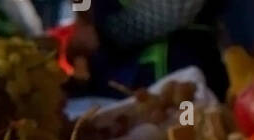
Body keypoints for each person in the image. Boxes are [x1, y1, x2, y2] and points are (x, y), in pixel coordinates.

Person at [67, 0, 230, 98]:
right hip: (116, 90)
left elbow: (178, 7)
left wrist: (103, 34)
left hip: (181, 74)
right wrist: (83, 19)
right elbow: (83, 6)